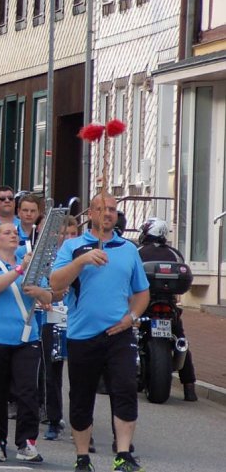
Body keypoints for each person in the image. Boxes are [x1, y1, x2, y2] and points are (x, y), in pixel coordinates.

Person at [50, 193, 150, 472]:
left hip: (119, 334)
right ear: (90, 214)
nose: (108, 213)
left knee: (126, 389)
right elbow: (56, 283)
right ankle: (83, 457)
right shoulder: (73, 246)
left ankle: (123, 454)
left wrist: (131, 318)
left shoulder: (128, 249)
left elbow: (142, 292)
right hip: (83, 335)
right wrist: (81, 261)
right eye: (102, 209)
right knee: (82, 397)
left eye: (113, 209)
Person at [0, 223, 52, 464]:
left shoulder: (31, 266)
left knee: (28, 391)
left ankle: (26, 443)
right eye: (7, 233)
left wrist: (38, 290)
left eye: (15, 233)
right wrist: (20, 269)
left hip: (26, 338)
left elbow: (49, 297)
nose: (13, 235)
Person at [136, 217, 197, 402]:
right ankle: (189, 387)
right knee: (180, 337)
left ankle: (119, 376)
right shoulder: (175, 254)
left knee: (128, 333)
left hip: (145, 303)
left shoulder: (138, 252)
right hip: (168, 305)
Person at [42, 215, 79, 441]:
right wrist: (45, 297)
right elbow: (35, 286)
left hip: (76, 321)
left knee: (79, 376)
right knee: (51, 373)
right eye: (65, 234)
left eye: (73, 234)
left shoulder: (83, 258)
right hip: (52, 319)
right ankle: (54, 420)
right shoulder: (47, 260)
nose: (69, 238)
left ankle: (81, 426)